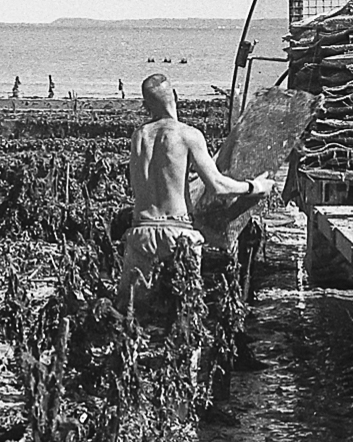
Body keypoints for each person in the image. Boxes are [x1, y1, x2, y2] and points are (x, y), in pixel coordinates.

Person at [116, 73, 276, 312]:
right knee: (185, 316)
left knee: (134, 314)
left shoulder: (139, 136)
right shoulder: (189, 135)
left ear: (146, 106)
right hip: (179, 235)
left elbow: (152, 179)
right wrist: (255, 187)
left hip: (141, 232)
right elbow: (219, 187)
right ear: (176, 97)